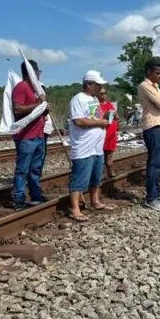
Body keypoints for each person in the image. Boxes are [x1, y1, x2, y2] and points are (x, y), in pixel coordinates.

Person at [67, 71, 113, 220]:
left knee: (95, 177)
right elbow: (78, 121)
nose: (100, 88)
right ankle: (75, 209)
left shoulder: (94, 99)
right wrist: (101, 122)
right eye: (98, 85)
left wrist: (106, 117)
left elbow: (95, 117)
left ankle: (95, 201)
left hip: (96, 146)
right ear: (89, 84)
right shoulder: (77, 99)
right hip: (83, 146)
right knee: (79, 178)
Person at [10, 60, 48, 211]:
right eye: (37, 71)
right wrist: (38, 104)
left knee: (35, 169)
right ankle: (19, 199)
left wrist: (44, 109)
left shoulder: (34, 89)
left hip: (38, 135)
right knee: (22, 170)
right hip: (26, 137)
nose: (39, 74)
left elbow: (35, 110)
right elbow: (17, 109)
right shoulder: (21, 87)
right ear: (32, 72)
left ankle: (35, 195)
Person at [138, 58, 160, 211]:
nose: (159, 76)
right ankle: (151, 197)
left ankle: (156, 192)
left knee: (158, 162)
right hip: (153, 126)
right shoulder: (145, 86)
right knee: (154, 163)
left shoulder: (156, 87)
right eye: (157, 73)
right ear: (148, 72)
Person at [98, 86, 118, 178]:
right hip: (103, 132)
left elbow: (116, 117)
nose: (103, 95)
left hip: (112, 133)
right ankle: (98, 174)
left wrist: (115, 114)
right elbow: (98, 118)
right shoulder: (96, 105)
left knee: (109, 154)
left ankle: (110, 172)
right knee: (101, 155)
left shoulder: (109, 104)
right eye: (101, 93)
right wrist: (107, 114)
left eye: (104, 93)